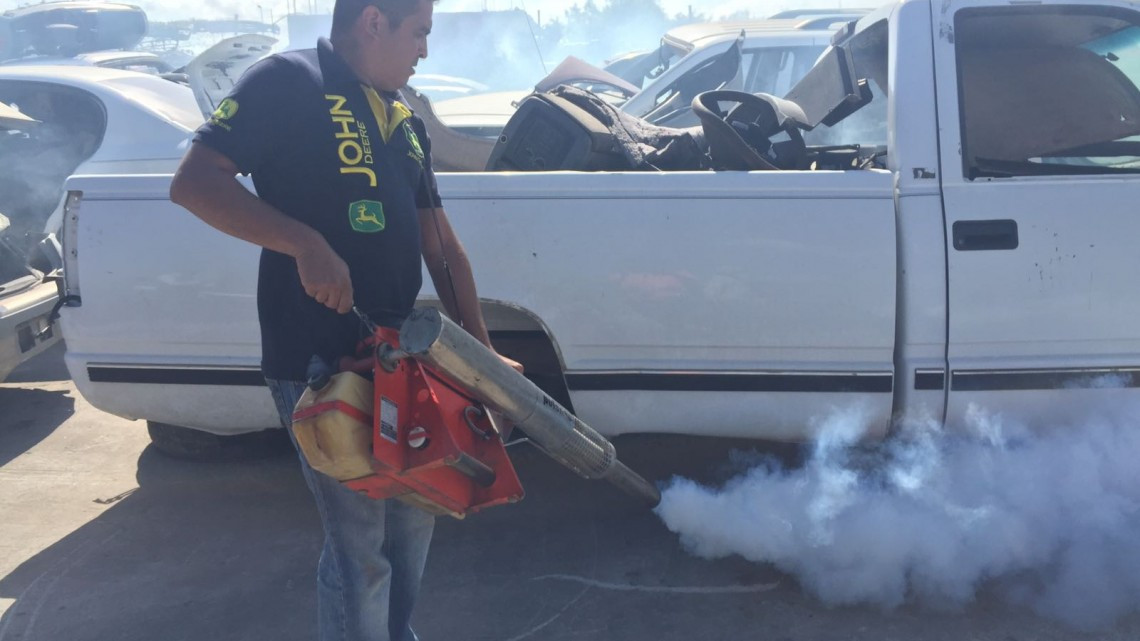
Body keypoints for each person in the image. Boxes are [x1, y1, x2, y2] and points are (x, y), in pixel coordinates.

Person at [169, 0, 521, 639]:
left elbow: (440, 246)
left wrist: (485, 360)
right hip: (319, 359)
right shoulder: (288, 80)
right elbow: (195, 182)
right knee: (362, 552)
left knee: (417, 519)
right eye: (420, 33)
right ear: (373, 20)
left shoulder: (403, 117)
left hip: (403, 360)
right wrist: (303, 243)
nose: (425, 51)